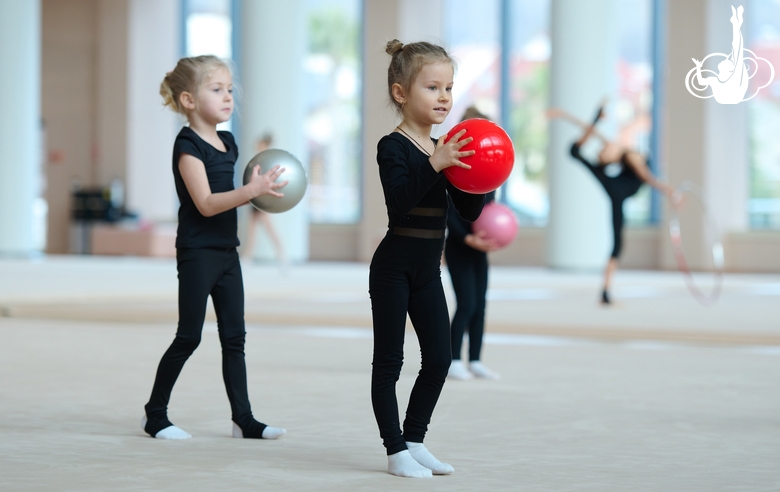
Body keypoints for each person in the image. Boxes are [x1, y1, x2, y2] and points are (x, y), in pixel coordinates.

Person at [142, 55, 287, 440]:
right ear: (189, 100)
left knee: (234, 337)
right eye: (217, 89)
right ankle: (155, 415)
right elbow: (206, 203)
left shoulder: (228, 142)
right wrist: (249, 191)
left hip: (227, 251)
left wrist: (261, 192)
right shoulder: (187, 145)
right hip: (198, 251)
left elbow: (233, 195)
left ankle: (244, 420)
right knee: (189, 335)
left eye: (230, 90)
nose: (228, 97)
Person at [369, 39, 486, 478]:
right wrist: (436, 163)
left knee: (439, 358)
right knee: (390, 362)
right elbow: (400, 203)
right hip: (393, 268)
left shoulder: (446, 148)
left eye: (449, 88)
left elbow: (469, 213)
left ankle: (415, 439)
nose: (444, 97)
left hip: (428, 270)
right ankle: (394, 449)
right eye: (432, 87)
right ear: (401, 93)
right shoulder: (393, 146)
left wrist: (479, 177)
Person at [547, 104, 678, 305]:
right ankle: (606, 292)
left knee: (617, 245)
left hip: (617, 190)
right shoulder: (625, 156)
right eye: (603, 151)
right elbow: (647, 177)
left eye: (605, 149)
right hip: (617, 190)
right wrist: (668, 190)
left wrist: (587, 117)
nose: (604, 147)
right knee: (617, 245)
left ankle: (605, 291)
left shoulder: (624, 153)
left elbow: (597, 136)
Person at [445, 106, 501, 381]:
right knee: (466, 302)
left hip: (481, 247)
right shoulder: (453, 170)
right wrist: (468, 238)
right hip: (459, 246)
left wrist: (491, 237)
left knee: (480, 303)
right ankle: (454, 359)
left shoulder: (490, 173)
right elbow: (449, 213)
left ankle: (476, 359)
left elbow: (490, 213)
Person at [242, 133, 286, 265]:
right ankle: (248, 256)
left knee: (267, 228)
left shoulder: (266, 161)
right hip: (255, 198)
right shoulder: (259, 160)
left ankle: (281, 253)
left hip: (262, 198)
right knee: (252, 229)